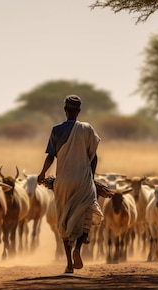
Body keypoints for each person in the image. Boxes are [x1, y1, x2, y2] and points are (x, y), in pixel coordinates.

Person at [37, 95, 104, 273]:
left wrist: (42, 173)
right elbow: (94, 156)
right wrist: (91, 177)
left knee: (64, 218)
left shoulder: (57, 130)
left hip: (63, 181)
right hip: (83, 179)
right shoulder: (87, 129)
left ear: (65, 110)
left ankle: (68, 264)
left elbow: (50, 156)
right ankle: (78, 248)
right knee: (86, 216)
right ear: (79, 111)